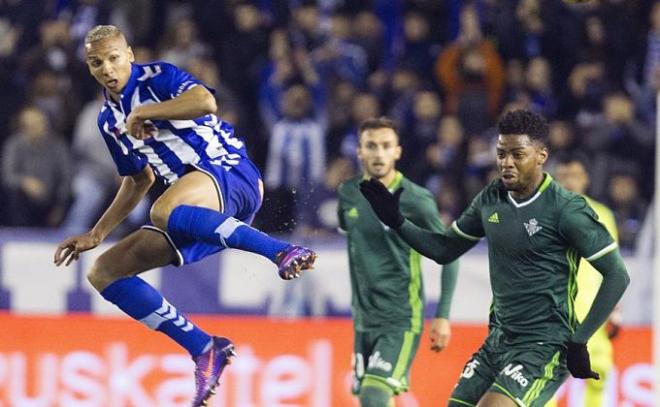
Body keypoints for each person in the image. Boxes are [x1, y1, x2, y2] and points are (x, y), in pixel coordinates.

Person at [53, 25, 317, 407]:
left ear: (129, 53)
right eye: (97, 62)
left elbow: (205, 102)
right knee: (105, 271)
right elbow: (138, 179)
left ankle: (280, 250)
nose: (108, 68)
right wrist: (96, 234)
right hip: (195, 209)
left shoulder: (159, 77)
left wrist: (147, 112)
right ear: (89, 67)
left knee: (164, 209)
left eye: (113, 58)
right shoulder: (108, 121)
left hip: (230, 172)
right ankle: (204, 348)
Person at [359, 109, 630, 407]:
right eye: (501, 153)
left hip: (545, 343)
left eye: (517, 154)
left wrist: (579, 340)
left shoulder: (567, 210)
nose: (506, 163)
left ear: (541, 156)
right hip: (498, 340)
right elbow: (444, 249)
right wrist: (397, 221)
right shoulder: (491, 198)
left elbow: (617, 275)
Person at [337, 117, 459, 407]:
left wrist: (442, 315)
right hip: (364, 319)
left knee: (373, 395)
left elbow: (449, 253)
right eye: (371, 146)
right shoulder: (348, 193)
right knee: (372, 398)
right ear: (359, 152)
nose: (378, 153)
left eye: (386, 146)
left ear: (397, 152)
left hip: (401, 316)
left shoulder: (416, 199)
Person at [551, 154, 622, 407]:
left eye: (574, 176)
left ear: (586, 179)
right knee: (547, 376)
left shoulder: (602, 214)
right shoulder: (545, 212)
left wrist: (615, 308)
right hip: (554, 308)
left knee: (599, 372)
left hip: (592, 309)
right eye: (563, 176)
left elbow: (615, 267)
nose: (569, 181)